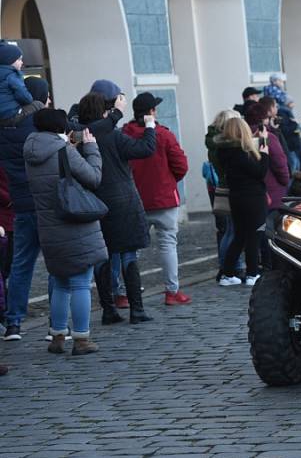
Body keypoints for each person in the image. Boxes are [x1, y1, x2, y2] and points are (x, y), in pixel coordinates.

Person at [23, 108, 105, 355]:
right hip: (73, 224)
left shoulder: (30, 152)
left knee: (60, 282)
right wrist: (91, 148)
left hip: (49, 227)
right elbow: (93, 177)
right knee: (81, 283)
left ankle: (58, 335)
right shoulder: (63, 151)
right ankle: (81, 339)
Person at [79, 92, 156, 325]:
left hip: (96, 203)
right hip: (124, 202)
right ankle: (137, 309)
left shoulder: (80, 136)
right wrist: (150, 126)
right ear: (104, 112)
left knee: (103, 257)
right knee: (128, 255)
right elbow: (146, 148)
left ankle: (108, 309)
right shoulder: (114, 136)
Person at [122, 92, 191, 306]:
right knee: (168, 244)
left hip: (134, 199)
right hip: (163, 199)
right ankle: (172, 291)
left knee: (129, 249)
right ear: (152, 112)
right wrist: (168, 181)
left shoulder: (124, 134)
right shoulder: (164, 134)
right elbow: (181, 166)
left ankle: (124, 293)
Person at [0, 81, 47, 341]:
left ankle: (14, 323)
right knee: (57, 266)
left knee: (21, 265)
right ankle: (58, 326)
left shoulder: (5, 129)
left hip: (19, 204)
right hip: (44, 203)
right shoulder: (38, 127)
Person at [216, 118, 269, 286]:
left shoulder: (224, 151)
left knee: (239, 236)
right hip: (253, 197)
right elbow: (260, 172)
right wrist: (265, 153)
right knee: (254, 235)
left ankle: (228, 273)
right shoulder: (242, 153)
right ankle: (252, 273)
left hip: (236, 197)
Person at [243, 101, 290, 270]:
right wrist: (285, 181)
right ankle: (272, 266)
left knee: (256, 232)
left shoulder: (242, 139)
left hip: (253, 193)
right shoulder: (267, 139)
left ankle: (258, 265)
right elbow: (280, 162)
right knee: (271, 232)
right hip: (272, 192)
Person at [204, 109, 244, 281]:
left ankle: (227, 265)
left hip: (222, 186)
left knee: (228, 230)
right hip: (231, 187)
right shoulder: (225, 145)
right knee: (233, 231)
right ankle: (232, 266)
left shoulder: (213, 141)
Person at [0, 41, 33, 121]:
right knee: (37, 104)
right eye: (19, 59)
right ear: (9, 60)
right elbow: (25, 98)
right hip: (9, 115)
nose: (22, 62)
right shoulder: (12, 76)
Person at [277, 94, 301, 173]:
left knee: (296, 166)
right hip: (291, 146)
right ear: (287, 103)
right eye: (292, 102)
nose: (293, 104)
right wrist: (295, 124)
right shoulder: (283, 113)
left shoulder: (288, 112)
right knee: (294, 167)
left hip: (293, 145)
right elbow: (285, 130)